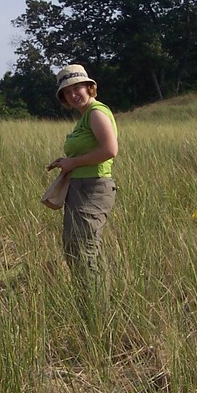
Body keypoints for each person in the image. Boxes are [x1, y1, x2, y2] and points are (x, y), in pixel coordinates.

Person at [46, 64, 118, 328]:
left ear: (89, 87)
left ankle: (97, 314)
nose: (74, 94)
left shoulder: (97, 113)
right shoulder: (84, 117)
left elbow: (110, 150)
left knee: (85, 249)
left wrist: (73, 164)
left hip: (93, 188)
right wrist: (66, 161)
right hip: (79, 187)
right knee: (75, 247)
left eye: (77, 87)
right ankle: (90, 304)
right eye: (67, 91)